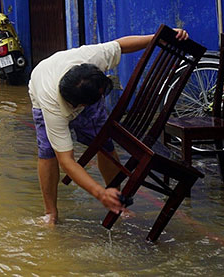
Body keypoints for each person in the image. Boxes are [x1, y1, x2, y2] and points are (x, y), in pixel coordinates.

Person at [29, 28, 189, 225]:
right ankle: (50, 213)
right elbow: (67, 161)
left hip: (77, 87)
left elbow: (120, 45)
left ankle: (119, 203)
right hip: (42, 89)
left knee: (105, 145)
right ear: (81, 105)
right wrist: (100, 193)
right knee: (48, 153)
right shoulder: (52, 108)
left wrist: (158, 38)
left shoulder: (90, 59)